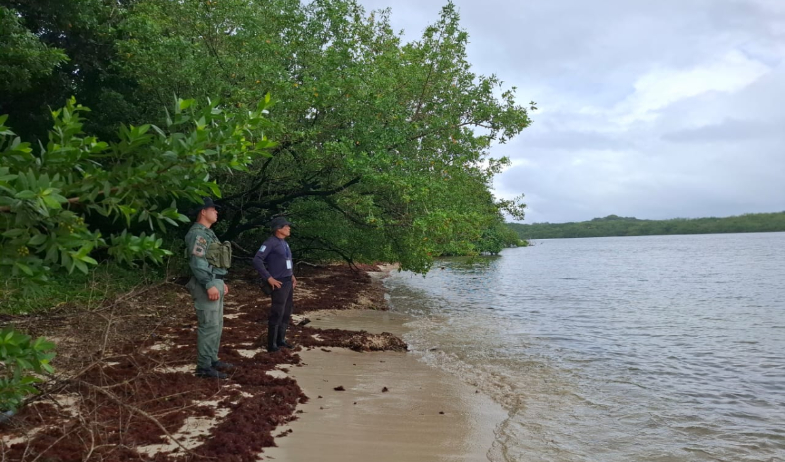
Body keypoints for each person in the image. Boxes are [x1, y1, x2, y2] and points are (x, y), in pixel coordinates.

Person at [184, 197, 235, 378]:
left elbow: (213, 260)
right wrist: (208, 283)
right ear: (203, 212)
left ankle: (212, 359)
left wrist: (220, 281)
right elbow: (197, 262)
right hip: (206, 284)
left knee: (217, 324)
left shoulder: (209, 233)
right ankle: (204, 367)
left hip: (215, 281)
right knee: (209, 325)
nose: (216, 212)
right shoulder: (198, 234)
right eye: (213, 209)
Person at [253, 217, 297, 352]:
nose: (289, 228)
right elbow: (257, 260)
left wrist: (292, 275)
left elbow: (286, 261)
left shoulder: (284, 243)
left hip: (288, 281)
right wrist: (269, 278)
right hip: (278, 282)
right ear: (278, 229)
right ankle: (271, 345)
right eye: (286, 226)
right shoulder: (270, 242)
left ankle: (281, 340)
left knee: (286, 311)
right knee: (277, 312)